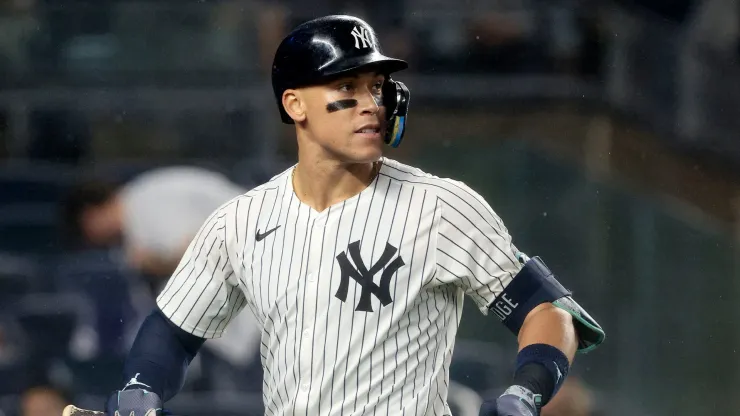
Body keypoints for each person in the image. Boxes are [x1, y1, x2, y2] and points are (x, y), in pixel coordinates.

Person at [98, 15, 605, 416]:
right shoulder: (240, 221)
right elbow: (173, 330)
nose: (370, 104)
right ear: (295, 104)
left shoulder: (443, 206)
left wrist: (527, 391)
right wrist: (142, 388)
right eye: (347, 88)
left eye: (377, 87)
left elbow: (549, 312)